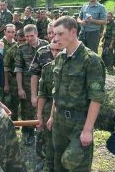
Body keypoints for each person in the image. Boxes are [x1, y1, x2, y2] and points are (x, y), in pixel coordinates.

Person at [47, 16, 106, 171]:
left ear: (73, 32)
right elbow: (57, 91)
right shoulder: (60, 57)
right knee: (58, 164)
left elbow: (96, 98)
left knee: (76, 165)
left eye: (60, 34)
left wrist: (87, 130)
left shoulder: (90, 60)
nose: (55, 38)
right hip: (59, 121)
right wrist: (52, 116)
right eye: (54, 34)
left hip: (79, 122)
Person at [15, 24, 48, 146]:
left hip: (45, 84)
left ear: (37, 34)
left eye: (31, 36)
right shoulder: (21, 48)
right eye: (26, 36)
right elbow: (18, 69)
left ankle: (42, 133)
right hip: (27, 85)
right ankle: (27, 134)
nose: (29, 38)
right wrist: (20, 88)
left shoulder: (46, 45)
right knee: (27, 111)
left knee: (43, 109)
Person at [36, 41, 62, 172]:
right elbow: (42, 94)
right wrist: (39, 116)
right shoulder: (47, 68)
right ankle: (46, 163)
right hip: (48, 107)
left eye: (58, 50)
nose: (55, 53)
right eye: (53, 50)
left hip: (64, 109)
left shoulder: (71, 67)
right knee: (48, 140)